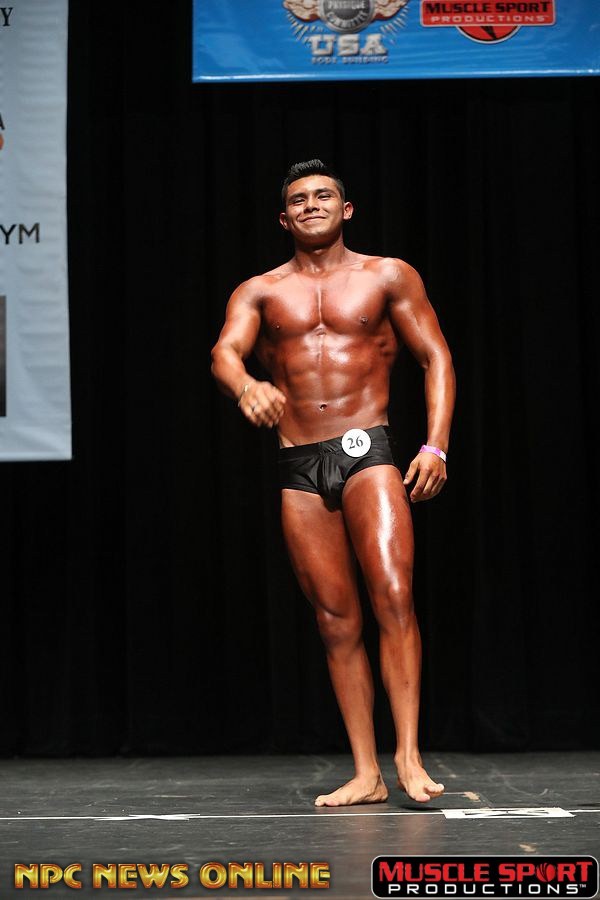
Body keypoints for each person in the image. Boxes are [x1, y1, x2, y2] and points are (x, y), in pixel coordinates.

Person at [211, 159, 456, 807]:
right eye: (299, 200)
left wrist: (435, 444)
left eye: (323, 196)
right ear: (283, 217)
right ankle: (366, 773)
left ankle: (407, 756)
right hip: (299, 463)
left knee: (394, 596)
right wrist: (245, 385)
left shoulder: (387, 275)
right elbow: (224, 353)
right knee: (334, 620)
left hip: (366, 449)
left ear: (346, 210)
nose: (311, 205)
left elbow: (435, 356)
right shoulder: (260, 292)